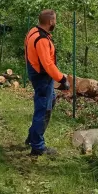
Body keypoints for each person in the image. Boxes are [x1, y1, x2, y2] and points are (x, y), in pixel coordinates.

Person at [24, 9, 69, 156]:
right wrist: (62, 79)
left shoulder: (33, 31)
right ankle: (37, 146)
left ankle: (32, 137)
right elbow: (48, 64)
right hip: (42, 77)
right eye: (55, 20)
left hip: (38, 74)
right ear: (50, 22)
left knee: (50, 103)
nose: (55, 22)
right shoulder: (42, 39)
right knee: (43, 111)